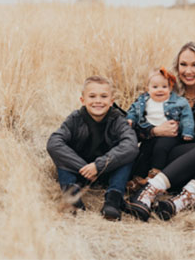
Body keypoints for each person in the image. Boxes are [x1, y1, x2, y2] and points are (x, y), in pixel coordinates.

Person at [126, 42, 195, 222]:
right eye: (183, 64)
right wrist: (154, 130)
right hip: (159, 158)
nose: (188, 71)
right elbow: (133, 125)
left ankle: (179, 201)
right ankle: (146, 192)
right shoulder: (164, 88)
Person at [47, 75, 138, 220]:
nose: (98, 101)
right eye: (92, 96)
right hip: (80, 169)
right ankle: (72, 197)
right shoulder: (75, 119)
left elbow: (131, 145)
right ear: (83, 100)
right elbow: (54, 143)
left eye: (103, 96)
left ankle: (113, 199)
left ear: (111, 101)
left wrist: (99, 166)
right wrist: (85, 168)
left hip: (108, 169)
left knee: (127, 156)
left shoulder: (118, 119)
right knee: (62, 158)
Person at [125, 67, 194, 191]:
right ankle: (138, 178)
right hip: (151, 134)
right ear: (148, 88)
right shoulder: (143, 101)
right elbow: (133, 111)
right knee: (144, 150)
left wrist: (187, 132)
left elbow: (187, 117)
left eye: (164, 86)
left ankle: (155, 173)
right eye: (155, 87)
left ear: (170, 88)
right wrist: (130, 119)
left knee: (161, 148)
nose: (160, 90)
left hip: (170, 135)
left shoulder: (179, 102)